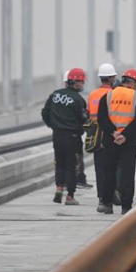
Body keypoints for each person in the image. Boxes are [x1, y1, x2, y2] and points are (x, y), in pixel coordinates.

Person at [96, 69, 136, 215]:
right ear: (135, 83)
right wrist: (124, 135)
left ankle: (106, 203)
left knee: (109, 171)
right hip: (129, 142)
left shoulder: (108, 95)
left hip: (111, 140)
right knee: (128, 173)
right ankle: (126, 206)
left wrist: (113, 132)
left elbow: (102, 119)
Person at [41, 67, 87, 205]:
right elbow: (84, 119)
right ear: (76, 82)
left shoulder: (55, 95)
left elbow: (45, 113)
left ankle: (59, 188)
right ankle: (70, 196)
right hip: (72, 137)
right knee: (71, 166)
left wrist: (52, 125)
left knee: (60, 164)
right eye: (82, 82)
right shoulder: (78, 100)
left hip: (57, 135)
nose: (82, 85)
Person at [87, 63, 118, 206]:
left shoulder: (92, 94)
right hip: (109, 134)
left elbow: (89, 114)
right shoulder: (112, 94)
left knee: (99, 168)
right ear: (111, 78)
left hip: (95, 136)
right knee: (113, 167)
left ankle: (101, 197)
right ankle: (113, 195)